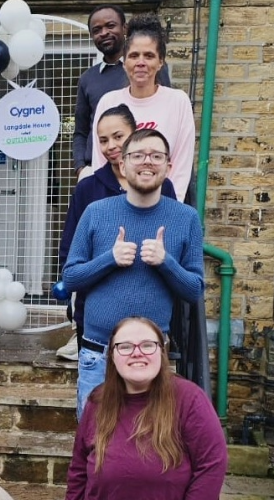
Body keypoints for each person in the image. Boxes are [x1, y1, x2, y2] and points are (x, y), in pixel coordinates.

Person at [62, 128, 204, 418]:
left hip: (151, 357)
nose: (147, 162)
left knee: (150, 444)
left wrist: (166, 262)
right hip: (99, 355)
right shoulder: (96, 212)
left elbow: (194, 289)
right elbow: (71, 278)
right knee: (95, 445)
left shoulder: (186, 218)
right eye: (137, 155)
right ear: (123, 165)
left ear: (169, 166)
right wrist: (109, 259)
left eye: (156, 156)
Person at [56, 104, 176, 361]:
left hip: (149, 323)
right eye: (103, 140)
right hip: (96, 320)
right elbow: (69, 254)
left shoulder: (162, 186)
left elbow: (175, 250)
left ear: (134, 135)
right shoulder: (88, 188)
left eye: (118, 137)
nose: (110, 145)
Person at [65, 317, 228, 500]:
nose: (137, 353)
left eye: (148, 345)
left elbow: (212, 465)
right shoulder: (98, 401)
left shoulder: (189, 399)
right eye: (125, 346)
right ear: (112, 355)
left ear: (162, 352)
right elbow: (78, 472)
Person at [90, 13, 195, 202]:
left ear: (160, 61)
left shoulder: (178, 102)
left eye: (149, 56)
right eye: (133, 55)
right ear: (124, 62)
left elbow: (181, 165)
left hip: (163, 204)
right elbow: (100, 162)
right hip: (116, 205)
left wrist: (170, 208)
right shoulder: (108, 102)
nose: (141, 62)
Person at [73, 5, 170, 179]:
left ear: (124, 28)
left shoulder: (146, 70)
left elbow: (165, 117)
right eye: (97, 30)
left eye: (110, 26)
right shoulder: (88, 78)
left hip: (143, 170)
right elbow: (81, 131)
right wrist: (81, 167)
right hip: (98, 169)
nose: (104, 33)